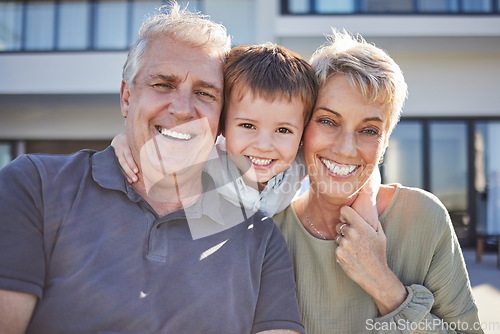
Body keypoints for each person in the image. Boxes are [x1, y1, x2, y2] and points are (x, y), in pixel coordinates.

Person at [0, 3, 304, 333]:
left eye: (204, 92)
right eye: (163, 84)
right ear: (127, 98)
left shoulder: (259, 237)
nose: (184, 108)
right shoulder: (36, 185)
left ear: (221, 121)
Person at [273, 30, 483, 333]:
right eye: (328, 121)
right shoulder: (270, 231)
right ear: (303, 126)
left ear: (384, 144)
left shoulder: (423, 217)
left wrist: (384, 286)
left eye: (369, 130)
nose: (346, 148)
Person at [113, 42, 320, 218]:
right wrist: (123, 142)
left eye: (283, 130)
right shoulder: (207, 163)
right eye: (248, 126)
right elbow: (168, 144)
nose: (264, 145)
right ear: (222, 125)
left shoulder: (299, 162)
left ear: (302, 134)